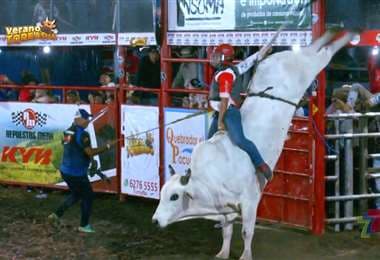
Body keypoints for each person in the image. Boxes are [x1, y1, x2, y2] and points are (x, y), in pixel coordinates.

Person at [208, 43, 273, 181]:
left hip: (228, 113)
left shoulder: (225, 74)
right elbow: (248, 63)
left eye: (217, 56)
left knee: (240, 140)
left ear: (224, 57)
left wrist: (220, 121)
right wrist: (261, 52)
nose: (213, 58)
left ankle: (261, 164)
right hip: (221, 111)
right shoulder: (232, 69)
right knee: (208, 141)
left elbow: (224, 101)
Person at [48, 109, 116, 233]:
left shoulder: (68, 130)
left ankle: (56, 214)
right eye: (86, 119)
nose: (88, 122)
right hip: (77, 173)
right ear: (78, 119)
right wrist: (108, 146)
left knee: (76, 194)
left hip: (65, 170)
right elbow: (89, 151)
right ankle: (84, 225)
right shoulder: (83, 135)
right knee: (88, 197)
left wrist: (90, 160)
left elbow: (71, 147)